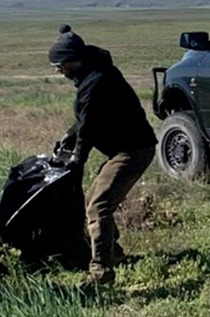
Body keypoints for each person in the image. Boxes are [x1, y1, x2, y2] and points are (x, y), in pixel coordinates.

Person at [49, 25, 158, 287]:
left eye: (60, 65)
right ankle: (114, 252)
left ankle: (101, 274)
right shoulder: (93, 75)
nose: (57, 70)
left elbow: (88, 125)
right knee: (94, 201)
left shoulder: (97, 81)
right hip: (126, 148)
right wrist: (69, 137)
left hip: (133, 150)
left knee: (99, 207)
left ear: (74, 61)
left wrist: (78, 160)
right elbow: (86, 119)